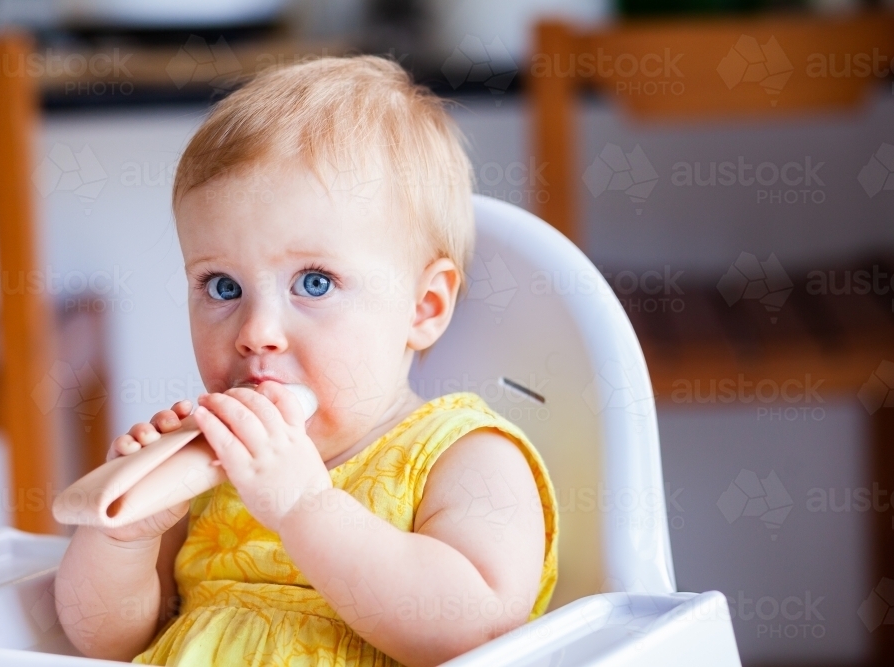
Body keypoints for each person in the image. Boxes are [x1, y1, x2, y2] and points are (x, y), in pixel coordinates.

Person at [55, 55, 559, 667]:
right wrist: (122, 540)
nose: (256, 332)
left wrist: (301, 508)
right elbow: (105, 640)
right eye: (222, 287)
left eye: (314, 283)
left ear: (423, 307)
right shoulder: (216, 469)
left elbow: (475, 633)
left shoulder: (462, 457)